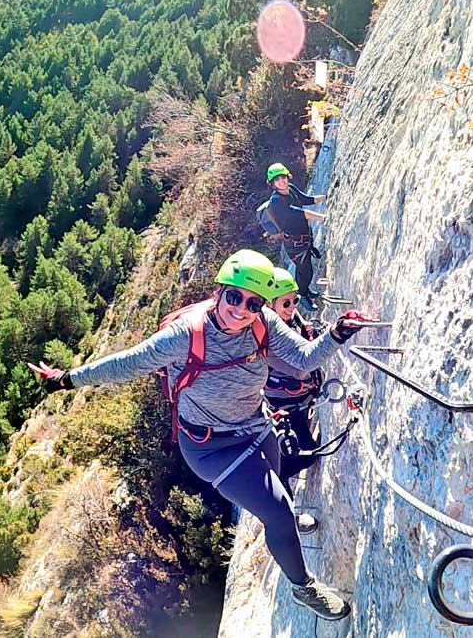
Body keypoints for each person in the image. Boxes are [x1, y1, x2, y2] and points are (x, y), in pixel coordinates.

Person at [28, 249, 373, 621]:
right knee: (277, 510)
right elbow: (126, 363)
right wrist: (66, 379)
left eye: (253, 302)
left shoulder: (264, 324)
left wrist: (338, 333)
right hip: (211, 446)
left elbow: (304, 359)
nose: (241, 309)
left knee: (277, 491)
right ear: (219, 291)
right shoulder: (185, 335)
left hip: (255, 425)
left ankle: (281, 525)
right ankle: (303, 587)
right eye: (234, 297)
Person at [264, 268, 324, 492]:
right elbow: (299, 368)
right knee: (306, 455)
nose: (292, 307)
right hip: (286, 403)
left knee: (307, 451)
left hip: (299, 396)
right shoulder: (267, 337)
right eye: (286, 303)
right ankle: (276, 482)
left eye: (295, 300)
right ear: (270, 305)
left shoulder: (291, 320)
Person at [264, 162, 326, 310]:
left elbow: (305, 199)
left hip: (302, 238)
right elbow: (299, 213)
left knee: (303, 269)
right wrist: (322, 217)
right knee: (306, 270)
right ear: (273, 184)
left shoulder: (290, 189)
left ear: (287, 176)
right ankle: (302, 295)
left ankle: (306, 291)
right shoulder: (276, 201)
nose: (281, 181)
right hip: (294, 244)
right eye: (277, 180)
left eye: (283, 177)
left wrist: (323, 197)